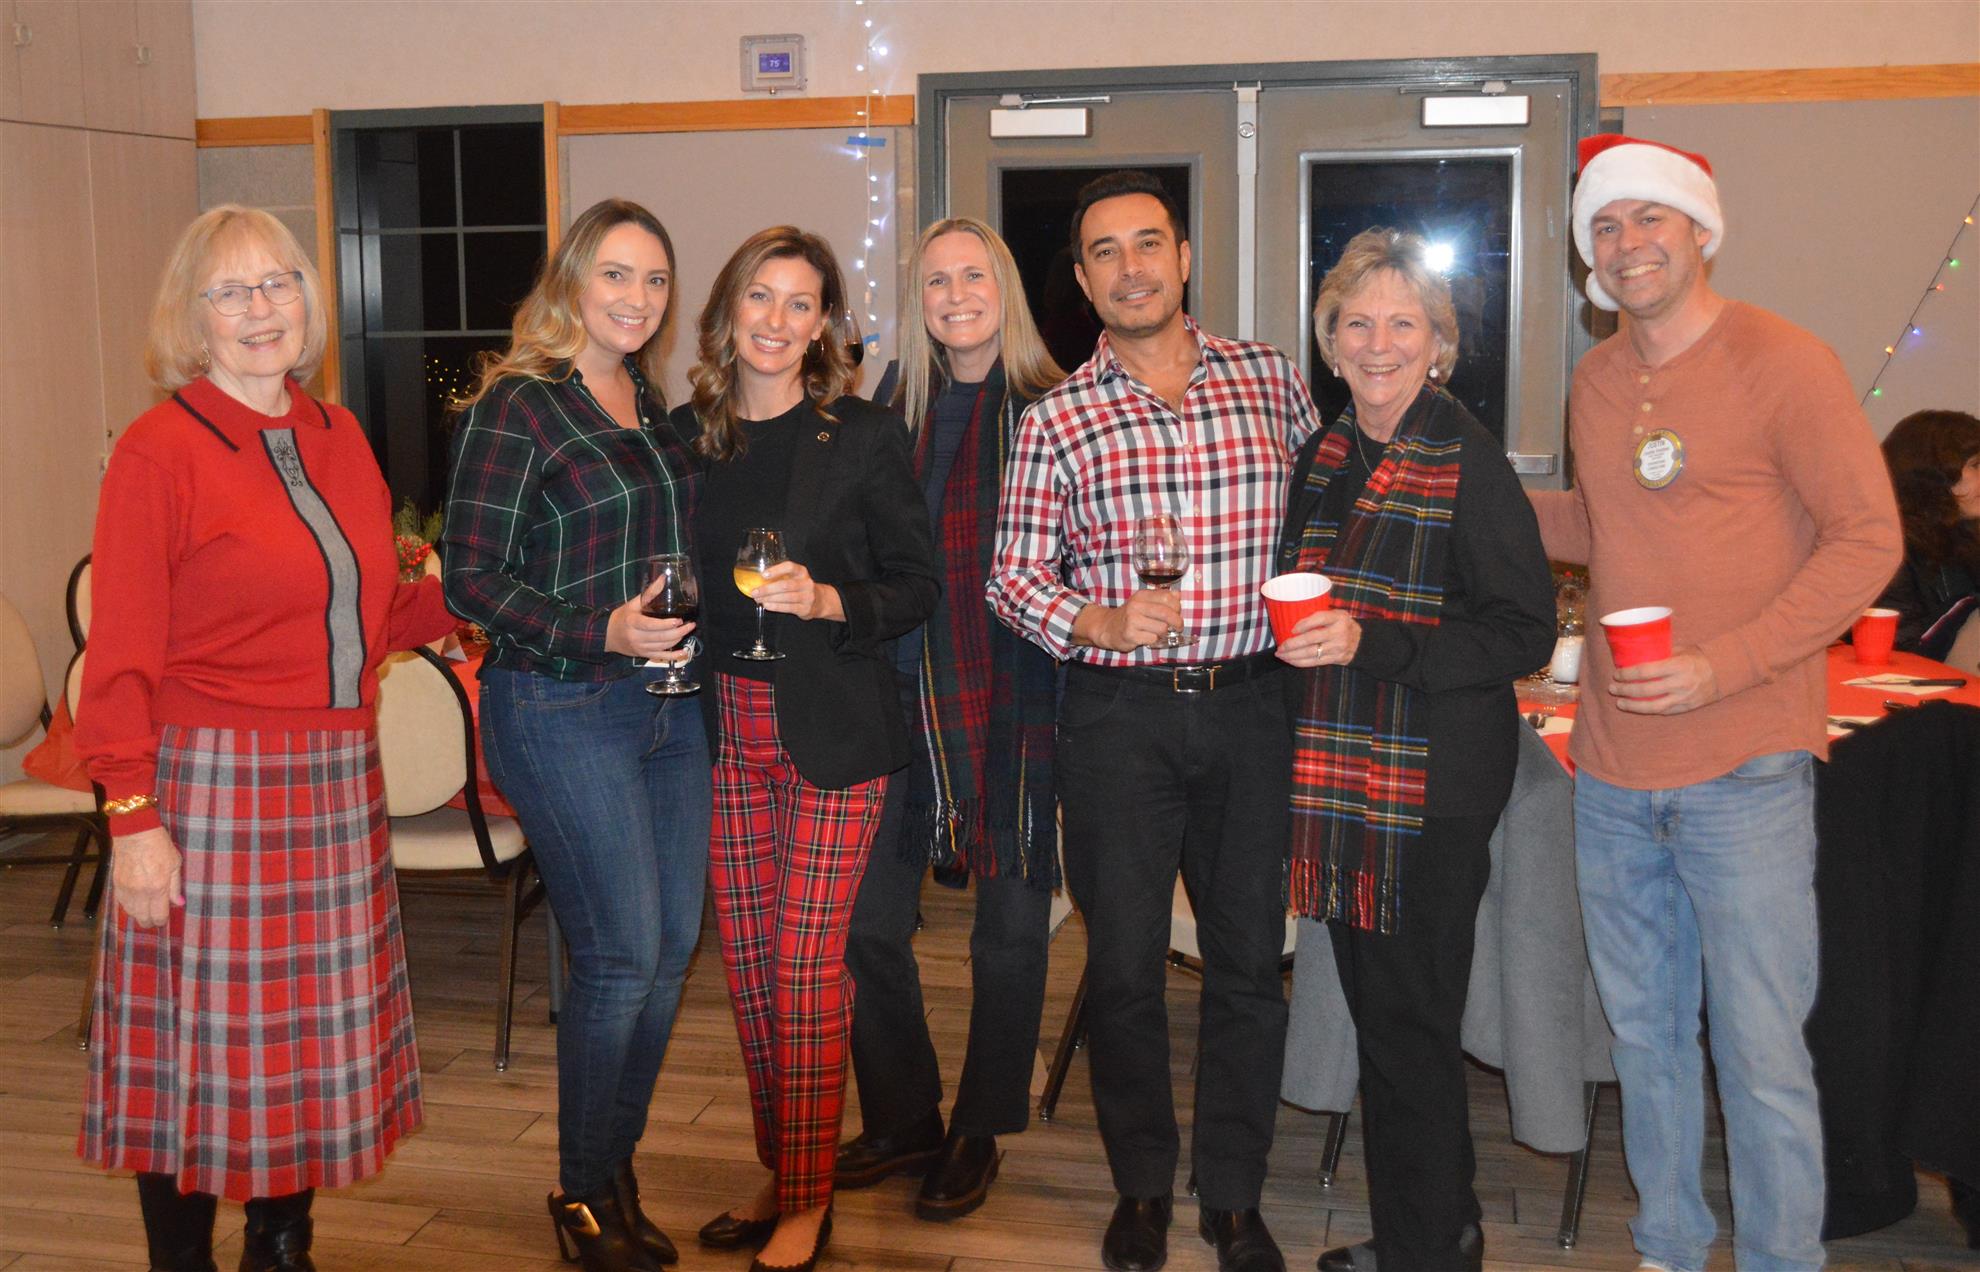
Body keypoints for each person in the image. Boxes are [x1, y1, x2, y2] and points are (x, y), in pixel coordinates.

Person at [1530, 135, 1902, 1272]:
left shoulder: (1785, 360)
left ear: (1700, 230)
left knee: (1760, 1055)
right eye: (1604, 225)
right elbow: (1605, 525)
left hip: (1746, 766)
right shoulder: (1597, 381)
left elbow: (1868, 540)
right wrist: (1475, 499)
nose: (1627, 243)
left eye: (1650, 218)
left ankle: (1784, 1260)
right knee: (1645, 1041)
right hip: (1612, 771)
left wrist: (1726, 663)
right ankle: (1669, 1247)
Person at [75, 205, 456, 1272]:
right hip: (208, 788)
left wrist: (474, 591)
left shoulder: (337, 434)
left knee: (303, 1044)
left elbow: (365, 616)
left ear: (308, 299)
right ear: (192, 318)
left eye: (278, 282)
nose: (260, 308)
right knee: (193, 1053)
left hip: (334, 781)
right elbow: (120, 658)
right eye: (231, 291)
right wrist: (132, 816)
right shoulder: (158, 450)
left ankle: (281, 1247)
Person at [988, 170, 1322, 1272]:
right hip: (1119, 720)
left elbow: (1323, 522)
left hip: (1253, 707)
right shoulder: (1057, 418)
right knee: (1125, 968)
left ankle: (1232, 1195)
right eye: (1105, 252)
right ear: (1084, 282)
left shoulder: (1270, 380)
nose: (1131, 267)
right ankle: (1140, 1185)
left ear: (1184, 258)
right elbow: (1011, 577)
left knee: (1247, 964)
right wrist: (1095, 618)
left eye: (1148, 243)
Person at [1274, 228, 1555, 1272]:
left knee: (1408, 1026)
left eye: (1404, 323)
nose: (1378, 343)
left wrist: (1373, 642)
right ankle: (1439, 1228)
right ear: (1330, 343)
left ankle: (1429, 1247)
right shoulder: (1327, 456)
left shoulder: (1465, 459)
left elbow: (1525, 632)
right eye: (1357, 323)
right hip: (1345, 778)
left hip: (1431, 790)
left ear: (1439, 344)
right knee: (1391, 1022)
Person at [443, 198, 705, 1272]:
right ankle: (584, 1191)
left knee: (670, 953)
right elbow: (469, 577)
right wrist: (601, 629)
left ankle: (613, 1164)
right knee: (619, 957)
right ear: (572, 283)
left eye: (655, 280)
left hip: (668, 708)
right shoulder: (520, 405)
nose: (637, 298)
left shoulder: (650, 402)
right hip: (559, 707)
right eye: (616, 275)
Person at [675, 226, 938, 1272]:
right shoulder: (686, 439)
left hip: (833, 734)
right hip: (719, 733)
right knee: (748, 974)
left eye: (800, 303)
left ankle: (807, 1202)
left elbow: (916, 586)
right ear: (727, 310)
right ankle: (786, 1167)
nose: (777, 321)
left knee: (804, 972)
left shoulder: (863, 435)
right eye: (760, 297)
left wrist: (830, 600)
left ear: (824, 322)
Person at [834, 218, 1067, 1220]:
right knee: (862, 923)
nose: (957, 295)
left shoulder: (1055, 406)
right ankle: (902, 1116)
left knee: (1007, 935)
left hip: (1017, 702)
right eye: (937, 280)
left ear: (1004, 289)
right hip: (894, 699)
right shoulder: (892, 411)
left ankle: (980, 1124)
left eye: (975, 275)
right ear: (918, 299)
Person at [1873, 409, 1980, 660]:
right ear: (1933, 472)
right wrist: (1968, 607)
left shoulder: (1965, 539)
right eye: (1976, 465)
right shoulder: (1889, 548)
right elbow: (1899, 649)